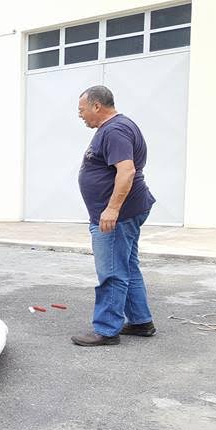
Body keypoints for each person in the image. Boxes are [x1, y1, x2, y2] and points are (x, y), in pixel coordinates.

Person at [71, 85, 157, 347]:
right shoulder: (116, 127)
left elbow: (127, 171)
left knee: (112, 271)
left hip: (118, 216)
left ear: (97, 106)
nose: (80, 115)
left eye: (82, 109)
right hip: (127, 211)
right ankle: (141, 321)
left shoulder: (115, 130)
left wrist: (112, 209)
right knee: (127, 266)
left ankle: (107, 329)